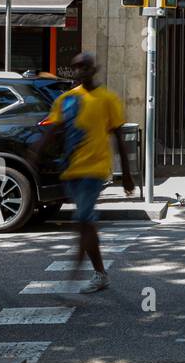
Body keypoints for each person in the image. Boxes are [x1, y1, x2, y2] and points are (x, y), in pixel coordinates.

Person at [34, 53, 135, 294]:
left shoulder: (107, 99)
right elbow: (53, 129)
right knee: (86, 223)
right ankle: (100, 274)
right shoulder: (67, 100)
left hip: (95, 170)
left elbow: (119, 137)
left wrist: (127, 175)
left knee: (82, 220)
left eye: (84, 66)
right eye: (76, 67)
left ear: (94, 68)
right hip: (72, 171)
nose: (80, 70)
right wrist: (36, 152)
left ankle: (71, 279)